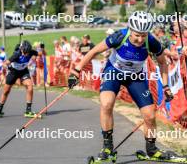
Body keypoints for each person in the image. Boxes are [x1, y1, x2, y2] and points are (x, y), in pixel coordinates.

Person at [68, 11, 174, 161]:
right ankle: (107, 146)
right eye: (137, 35)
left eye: (143, 35)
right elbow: (93, 51)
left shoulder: (151, 41)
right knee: (106, 103)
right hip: (114, 72)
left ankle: (151, 149)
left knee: (150, 115)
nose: (140, 39)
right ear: (130, 29)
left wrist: (165, 86)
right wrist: (76, 71)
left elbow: (163, 62)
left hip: (135, 76)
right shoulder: (119, 36)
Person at [0, 41, 41, 119]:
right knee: (6, 91)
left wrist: (40, 51)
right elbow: (5, 63)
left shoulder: (31, 52)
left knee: (30, 86)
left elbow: (38, 54)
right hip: (13, 72)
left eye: (27, 52)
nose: (25, 54)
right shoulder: (16, 54)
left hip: (23, 71)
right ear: (21, 49)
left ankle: (28, 111)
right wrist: (7, 66)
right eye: (24, 52)